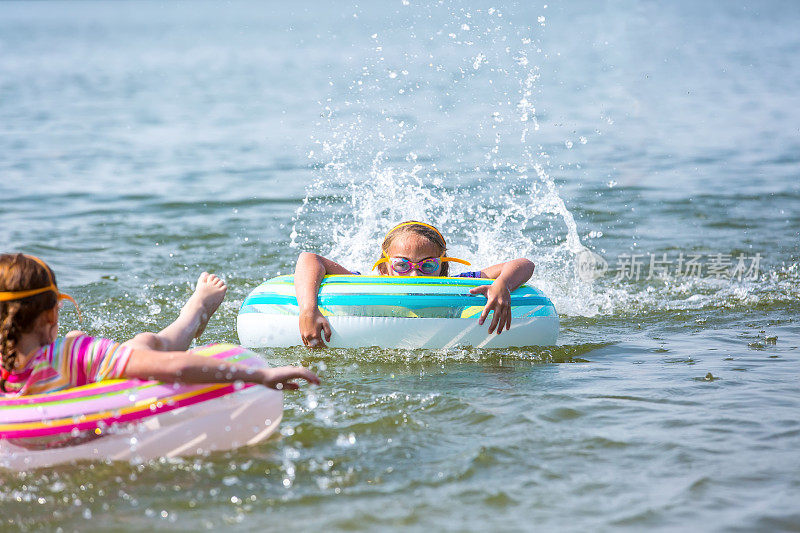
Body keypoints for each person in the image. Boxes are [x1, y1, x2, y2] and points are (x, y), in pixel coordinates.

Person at [0, 253, 320, 396]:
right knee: (147, 345)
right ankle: (193, 312)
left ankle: (196, 310)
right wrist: (258, 375)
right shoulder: (69, 354)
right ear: (50, 316)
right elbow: (172, 367)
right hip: (85, 372)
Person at [294, 220, 535, 347]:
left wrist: (501, 283)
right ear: (385, 267)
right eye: (402, 265)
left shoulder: (459, 286)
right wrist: (308, 309)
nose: (414, 274)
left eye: (427, 265)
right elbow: (309, 259)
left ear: (442, 267)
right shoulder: (366, 284)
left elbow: (524, 264)